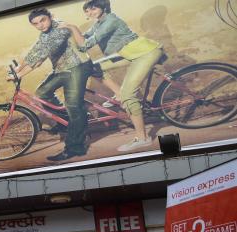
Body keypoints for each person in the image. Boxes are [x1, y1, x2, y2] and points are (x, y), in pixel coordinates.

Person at [63, 0, 164, 152]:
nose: (90, 13)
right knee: (93, 67)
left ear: (103, 7)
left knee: (129, 95)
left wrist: (72, 27)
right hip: (128, 53)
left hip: (144, 53)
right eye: (87, 11)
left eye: (93, 8)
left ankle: (143, 138)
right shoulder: (99, 23)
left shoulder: (111, 20)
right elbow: (83, 37)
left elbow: (85, 45)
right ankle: (119, 94)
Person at [11, 8, 94, 162]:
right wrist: (18, 69)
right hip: (61, 69)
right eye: (36, 23)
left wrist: (20, 73)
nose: (40, 25)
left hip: (78, 67)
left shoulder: (61, 27)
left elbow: (44, 51)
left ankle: (75, 148)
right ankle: (68, 124)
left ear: (50, 17)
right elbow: (36, 52)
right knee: (42, 93)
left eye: (43, 20)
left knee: (74, 106)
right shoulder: (44, 34)